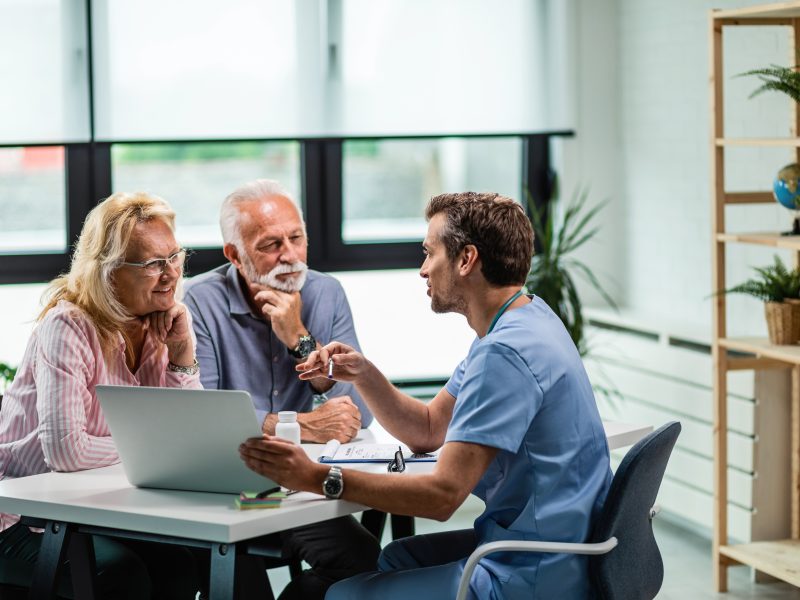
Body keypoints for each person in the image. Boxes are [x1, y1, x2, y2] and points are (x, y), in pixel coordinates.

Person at [239, 192, 613, 600]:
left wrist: (315, 478)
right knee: (395, 557)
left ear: (466, 260)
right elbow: (429, 428)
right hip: (557, 543)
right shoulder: (525, 318)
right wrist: (364, 374)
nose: (422, 269)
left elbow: (441, 497)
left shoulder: (504, 354)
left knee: (340, 595)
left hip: (534, 569)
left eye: (428, 253)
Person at [183, 179, 380, 600]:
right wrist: (300, 426)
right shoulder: (199, 302)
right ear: (235, 255)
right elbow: (204, 416)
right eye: (271, 244)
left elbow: (361, 409)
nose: (289, 256)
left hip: (298, 487)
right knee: (234, 559)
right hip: (233, 490)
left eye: (296, 238)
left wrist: (300, 340)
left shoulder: (326, 293)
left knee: (363, 557)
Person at [0, 192, 201, 599]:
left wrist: (182, 355)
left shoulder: (159, 323)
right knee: (118, 574)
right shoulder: (68, 326)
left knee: (185, 562)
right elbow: (65, 452)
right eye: (152, 264)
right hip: (18, 517)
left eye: (174, 257)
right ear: (108, 271)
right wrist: (153, 449)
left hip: (94, 509)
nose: (170, 275)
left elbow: (189, 437)